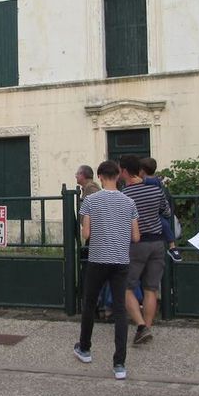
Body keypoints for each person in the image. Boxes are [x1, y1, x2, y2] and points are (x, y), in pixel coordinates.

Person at [74, 160, 139, 380]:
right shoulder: (129, 202)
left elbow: (86, 233)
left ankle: (85, 348)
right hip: (120, 259)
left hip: (98, 258)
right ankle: (119, 363)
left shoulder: (90, 200)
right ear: (119, 176)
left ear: (100, 176)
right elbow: (136, 236)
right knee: (120, 310)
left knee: (90, 302)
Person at [119, 155, 170, 345]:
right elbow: (166, 212)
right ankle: (147, 327)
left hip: (135, 244)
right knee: (151, 288)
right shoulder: (156, 191)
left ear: (124, 171)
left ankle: (140, 325)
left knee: (125, 286)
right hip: (157, 243)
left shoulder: (125, 195)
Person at [139, 157, 182, 263]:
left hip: (150, 226)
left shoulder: (149, 182)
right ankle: (172, 247)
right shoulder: (160, 185)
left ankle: (172, 247)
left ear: (142, 171)